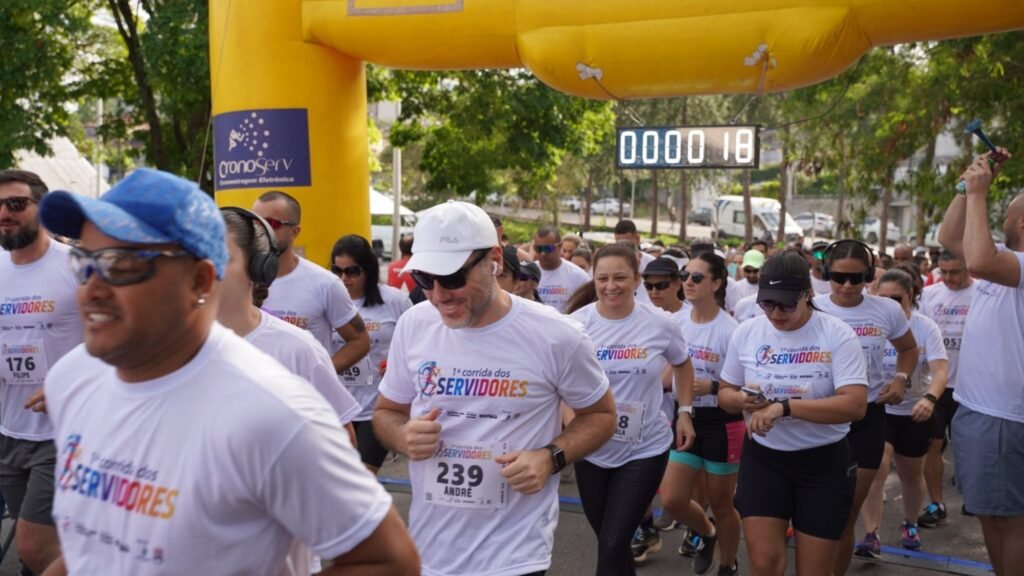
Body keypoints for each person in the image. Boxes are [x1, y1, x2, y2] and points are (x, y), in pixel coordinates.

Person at [37, 168, 418, 575]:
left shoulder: (273, 413)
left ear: (199, 280)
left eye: (120, 264)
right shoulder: (70, 380)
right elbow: (95, 543)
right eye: (84, 262)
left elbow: (387, 560)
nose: (91, 288)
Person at [373, 200, 616, 576]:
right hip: (429, 552)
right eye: (424, 279)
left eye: (453, 279)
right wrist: (402, 436)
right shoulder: (414, 324)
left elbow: (601, 415)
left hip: (514, 556)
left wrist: (550, 457)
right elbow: (387, 411)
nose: (438, 295)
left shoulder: (556, 334)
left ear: (494, 260)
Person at [219, 208, 364, 575]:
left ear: (258, 269)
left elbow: (343, 447)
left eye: (219, 258)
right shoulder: (170, 348)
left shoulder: (297, 349)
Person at [718, 251, 868, 576]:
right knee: (764, 564)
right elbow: (724, 395)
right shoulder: (747, 332)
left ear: (807, 294)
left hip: (823, 463)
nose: (775, 313)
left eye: (786, 304)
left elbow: (855, 405)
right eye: (767, 303)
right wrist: (742, 399)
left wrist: (784, 408)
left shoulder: (837, 334)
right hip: (765, 460)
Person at [570, 244, 695, 576]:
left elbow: (683, 364)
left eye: (620, 277)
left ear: (637, 279)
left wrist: (684, 411)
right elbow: (558, 383)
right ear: (593, 280)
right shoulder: (575, 326)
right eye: (603, 278)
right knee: (611, 544)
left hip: (645, 447)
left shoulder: (660, 323)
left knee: (612, 545)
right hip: (592, 446)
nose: (611, 286)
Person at [938, 148, 1024, 575]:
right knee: (993, 515)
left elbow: (977, 258)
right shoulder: (1006, 265)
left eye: (1006, 215)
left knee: (1010, 522)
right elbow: (949, 239)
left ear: (1022, 224)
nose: (1000, 221)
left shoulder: (1012, 266)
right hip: (985, 414)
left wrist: (979, 193)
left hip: (1003, 419)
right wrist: (966, 184)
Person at [813, 239, 919, 576]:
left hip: (866, 418)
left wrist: (901, 378)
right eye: (839, 277)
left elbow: (909, 349)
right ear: (827, 272)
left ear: (869, 275)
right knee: (815, 514)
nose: (847, 286)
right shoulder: (811, 307)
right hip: (818, 419)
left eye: (856, 278)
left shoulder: (885, 309)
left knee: (845, 513)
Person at [0, 170, 81, 574]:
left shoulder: (77, 265)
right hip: (9, 431)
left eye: (15, 204)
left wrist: (68, 384)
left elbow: (118, 335)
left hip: (62, 431)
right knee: (44, 545)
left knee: (31, 544)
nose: (4, 213)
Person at [656, 253, 743, 576]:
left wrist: (714, 385)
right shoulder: (675, 322)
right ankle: (707, 533)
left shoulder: (732, 330)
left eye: (696, 278)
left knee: (722, 503)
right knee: (673, 500)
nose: (687, 283)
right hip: (685, 417)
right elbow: (668, 370)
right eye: (685, 275)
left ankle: (728, 564)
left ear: (717, 284)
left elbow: (746, 384)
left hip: (723, 422)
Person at [856, 267, 948, 557]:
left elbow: (941, 371)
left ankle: (910, 523)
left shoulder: (925, 327)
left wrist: (930, 399)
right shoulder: (867, 323)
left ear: (911, 295)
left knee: (911, 474)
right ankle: (872, 534)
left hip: (913, 411)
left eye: (897, 299)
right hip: (876, 410)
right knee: (877, 466)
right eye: (883, 298)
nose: (890, 305)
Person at [252, 190, 370, 372]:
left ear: (294, 232)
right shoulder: (239, 279)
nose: (261, 230)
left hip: (302, 398)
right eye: (255, 223)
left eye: (272, 224)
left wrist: (319, 375)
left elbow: (360, 341)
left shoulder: (325, 284)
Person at [331, 235, 413, 472]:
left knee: (363, 478)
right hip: (337, 405)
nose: (344, 278)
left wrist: (398, 365)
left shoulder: (393, 300)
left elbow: (414, 342)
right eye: (338, 270)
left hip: (375, 407)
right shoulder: (328, 299)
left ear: (368, 269)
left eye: (352, 271)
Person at [917, 250, 976, 526]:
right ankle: (935, 503)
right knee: (934, 444)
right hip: (937, 385)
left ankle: (974, 498)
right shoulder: (930, 295)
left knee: (969, 447)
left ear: (969, 268)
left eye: (956, 271)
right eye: (944, 272)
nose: (949, 278)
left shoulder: (982, 293)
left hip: (973, 385)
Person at [533, 226, 591, 313]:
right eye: (539, 249)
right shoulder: (527, 274)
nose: (543, 253)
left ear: (559, 247)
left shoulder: (579, 276)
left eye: (548, 249)